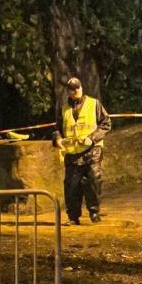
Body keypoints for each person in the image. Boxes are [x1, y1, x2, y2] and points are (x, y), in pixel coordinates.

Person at [54, 77, 111, 225]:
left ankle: (94, 212)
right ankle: (73, 217)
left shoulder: (94, 104)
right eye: (72, 89)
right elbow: (57, 129)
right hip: (72, 152)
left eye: (77, 88)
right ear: (68, 91)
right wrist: (58, 139)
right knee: (71, 186)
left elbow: (106, 123)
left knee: (93, 182)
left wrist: (92, 138)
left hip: (92, 151)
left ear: (81, 88)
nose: (75, 91)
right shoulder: (63, 108)